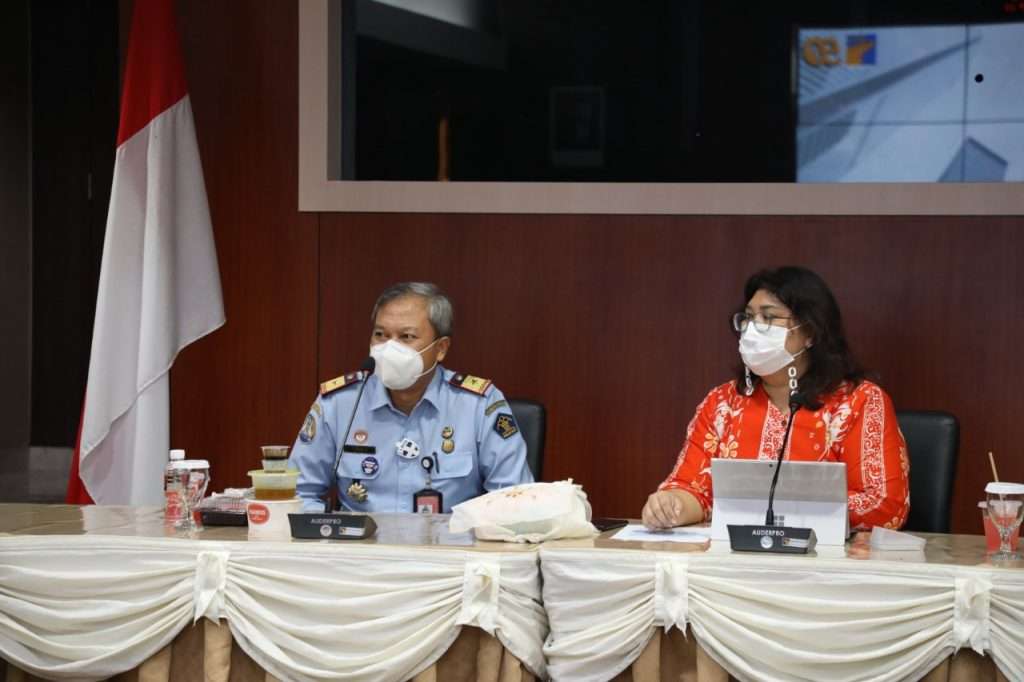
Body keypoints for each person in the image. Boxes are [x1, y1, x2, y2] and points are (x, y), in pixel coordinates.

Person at [642, 266, 909, 531]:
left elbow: (886, 505)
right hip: (734, 555)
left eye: (768, 318)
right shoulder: (723, 403)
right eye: (748, 318)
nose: (752, 329)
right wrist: (671, 505)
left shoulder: (859, 402)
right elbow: (691, 489)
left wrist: (778, 507)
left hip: (825, 555)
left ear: (810, 332)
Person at [290, 282, 533, 513]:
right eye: (380, 334)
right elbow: (297, 495)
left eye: (406, 337)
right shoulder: (340, 403)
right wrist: (331, 528)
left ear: (440, 348)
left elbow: (513, 499)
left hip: (449, 542)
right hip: (362, 542)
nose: (389, 347)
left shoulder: (479, 405)